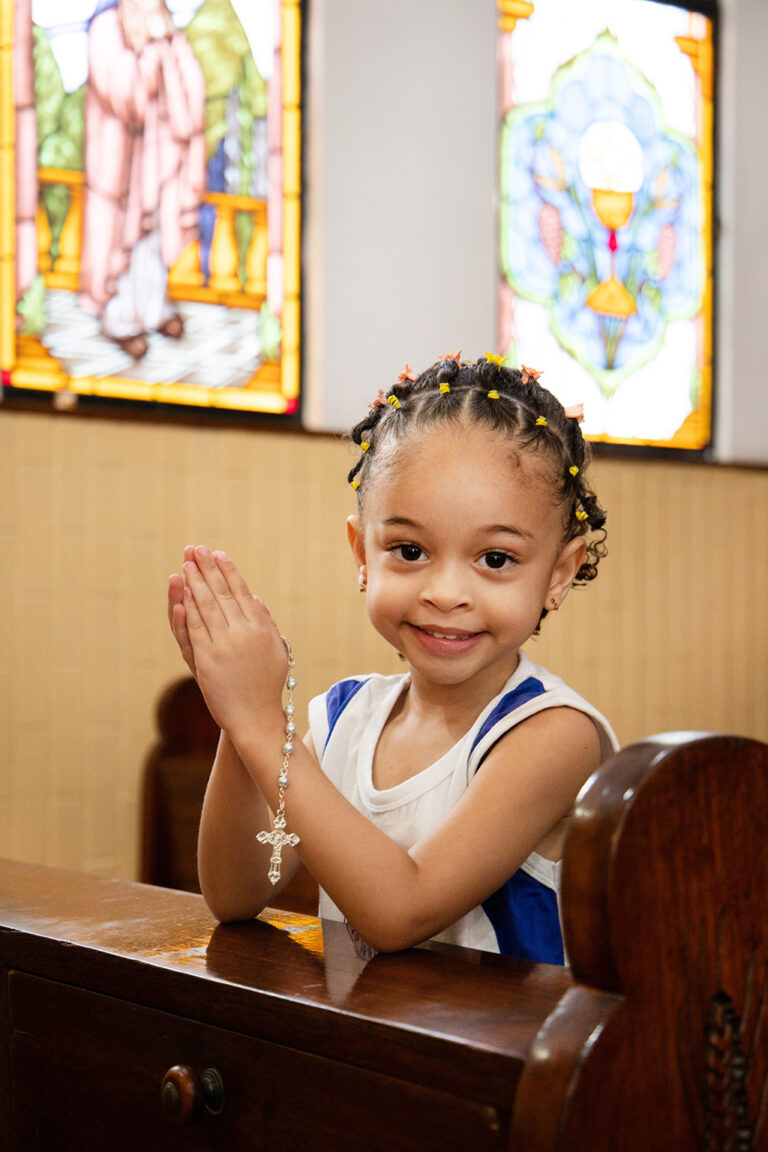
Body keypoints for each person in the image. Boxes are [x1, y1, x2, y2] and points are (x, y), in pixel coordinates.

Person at [167, 353, 618, 963]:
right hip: (367, 1024)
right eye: (409, 550)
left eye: (495, 559)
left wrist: (261, 723)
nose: (445, 593)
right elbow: (235, 892)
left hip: (504, 1029)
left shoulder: (554, 734)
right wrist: (237, 712)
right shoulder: (344, 719)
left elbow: (401, 911)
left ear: (559, 573)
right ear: (362, 553)